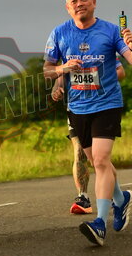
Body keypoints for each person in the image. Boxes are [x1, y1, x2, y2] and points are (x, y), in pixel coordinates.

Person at [43, 0, 132, 246]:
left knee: (100, 160)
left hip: (107, 104)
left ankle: (100, 223)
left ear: (94, 3)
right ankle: (121, 199)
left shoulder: (111, 31)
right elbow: (47, 70)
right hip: (78, 107)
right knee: (97, 162)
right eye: (74, 1)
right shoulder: (59, 33)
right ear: (68, 7)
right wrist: (63, 69)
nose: (79, 4)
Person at [52, 59, 126, 214]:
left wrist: (99, 79)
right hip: (76, 108)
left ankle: (117, 196)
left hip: (100, 107)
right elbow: (61, 74)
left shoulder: (102, 48)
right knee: (79, 151)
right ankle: (83, 198)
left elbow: (120, 72)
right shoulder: (66, 48)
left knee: (98, 160)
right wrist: (57, 87)